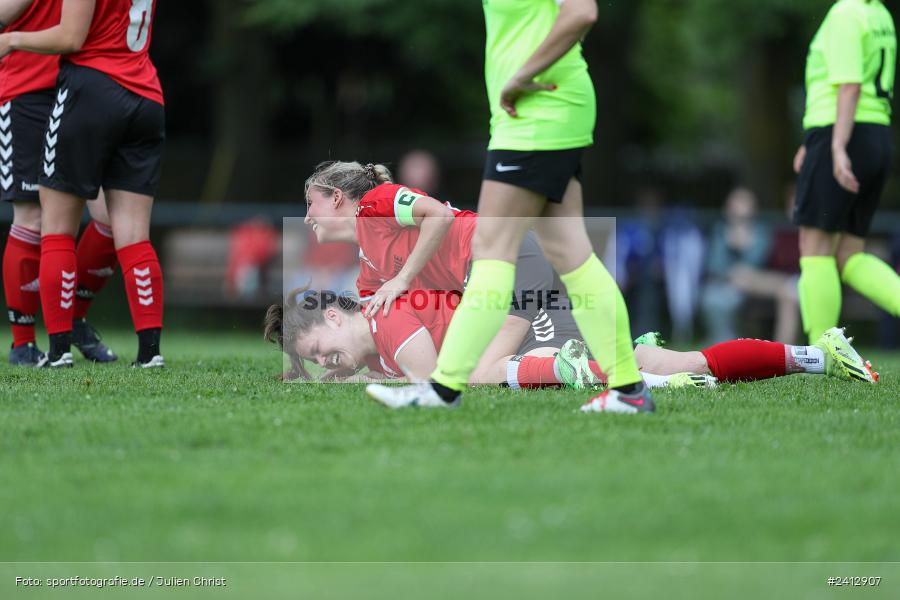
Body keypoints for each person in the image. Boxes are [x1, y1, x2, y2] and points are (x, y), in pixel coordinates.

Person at [365, 0, 650, 413]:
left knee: (493, 247)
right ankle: (628, 390)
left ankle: (442, 389)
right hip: (535, 115)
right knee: (570, 253)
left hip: (536, 114)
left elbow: (581, 12)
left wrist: (522, 73)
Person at [263, 290, 877, 391]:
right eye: (319, 365)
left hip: (546, 324)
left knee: (468, 379)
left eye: (322, 351)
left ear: (337, 317)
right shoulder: (390, 334)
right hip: (551, 323)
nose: (327, 365)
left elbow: (438, 381)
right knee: (691, 361)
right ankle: (821, 356)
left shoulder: (393, 322)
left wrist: (375, 378)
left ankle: (648, 382)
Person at [0, 0, 166, 368]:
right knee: (33, 217)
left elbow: (73, 35)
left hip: (84, 83)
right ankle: (23, 343)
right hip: (30, 88)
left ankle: (70, 322)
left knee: (109, 221)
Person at [794, 0, 900, 344]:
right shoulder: (879, 13)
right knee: (849, 255)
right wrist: (812, 142)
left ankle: (818, 352)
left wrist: (835, 146)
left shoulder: (845, 13)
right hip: (876, 136)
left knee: (815, 248)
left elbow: (849, 85)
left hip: (842, 134)